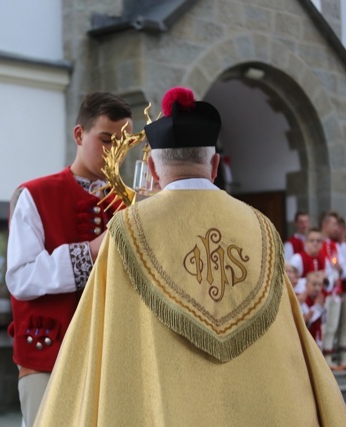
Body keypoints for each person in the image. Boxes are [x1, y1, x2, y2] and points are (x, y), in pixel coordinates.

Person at [34, 87, 346, 425]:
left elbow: (98, 342)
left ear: (152, 168)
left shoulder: (126, 230)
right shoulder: (262, 229)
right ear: (214, 166)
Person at [5, 92, 133, 426]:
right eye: (106, 140)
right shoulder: (34, 194)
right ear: (79, 135)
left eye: (123, 142)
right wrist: (90, 251)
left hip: (111, 359)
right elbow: (20, 278)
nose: (115, 152)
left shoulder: (130, 205)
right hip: (48, 355)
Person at [319, 210, 346, 368]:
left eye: (337, 224)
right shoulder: (319, 242)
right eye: (333, 224)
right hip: (323, 291)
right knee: (324, 325)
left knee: (333, 324)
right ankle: (322, 358)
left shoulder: (334, 245)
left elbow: (341, 266)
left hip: (336, 291)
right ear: (325, 224)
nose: (336, 227)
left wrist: (339, 269)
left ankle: (329, 356)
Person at [298, 270, 327, 347]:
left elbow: (323, 321)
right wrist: (317, 307)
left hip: (316, 340)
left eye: (320, 285)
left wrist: (322, 307)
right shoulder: (302, 299)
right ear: (306, 285)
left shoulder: (320, 299)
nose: (317, 288)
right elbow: (307, 321)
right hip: (304, 341)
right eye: (314, 285)